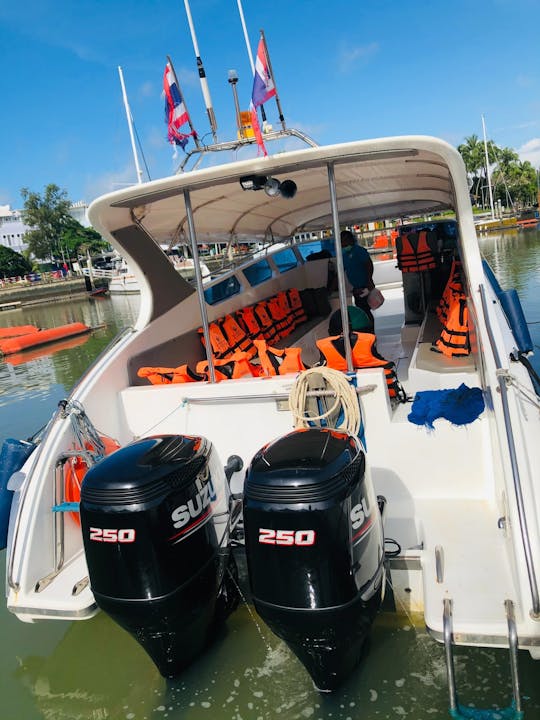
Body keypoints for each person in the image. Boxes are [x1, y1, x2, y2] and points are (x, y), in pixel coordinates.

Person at [340, 229, 375, 327]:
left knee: (365, 310)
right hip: (356, 288)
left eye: (343, 240)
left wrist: (369, 280)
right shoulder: (344, 255)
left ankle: (370, 330)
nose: (342, 243)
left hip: (364, 285)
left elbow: (369, 265)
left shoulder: (359, 251)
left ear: (350, 239)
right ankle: (368, 329)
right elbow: (342, 269)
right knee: (361, 309)